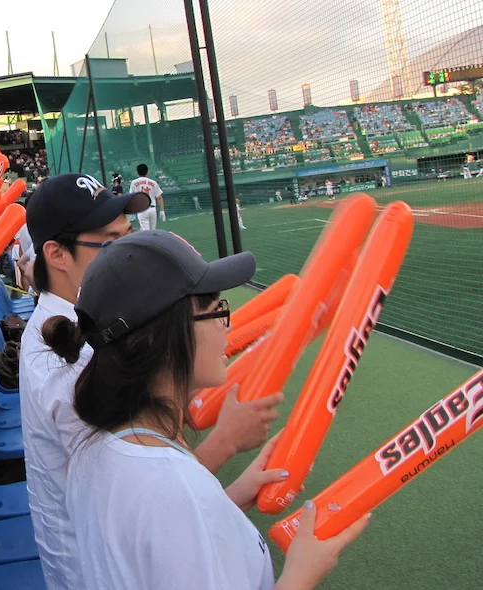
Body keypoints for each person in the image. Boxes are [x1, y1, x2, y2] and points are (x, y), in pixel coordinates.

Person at [44, 230, 370, 589]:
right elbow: (171, 513)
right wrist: (302, 574)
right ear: (160, 339)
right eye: (214, 308)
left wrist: (224, 500)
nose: (225, 324)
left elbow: (157, 550)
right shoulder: (176, 491)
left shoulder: (99, 446)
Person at [19, 173, 283, 590]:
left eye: (128, 237)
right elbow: (141, 493)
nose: (125, 254)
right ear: (56, 253)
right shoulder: (66, 366)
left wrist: (221, 498)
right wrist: (225, 441)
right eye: (110, 243)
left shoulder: (71, 332)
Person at [130, 163, 165, 230]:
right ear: (147, 172)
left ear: (137, 172)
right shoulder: (153, 182)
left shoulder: (134, 182)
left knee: (145, 232)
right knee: (152, 231)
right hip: (152, 209)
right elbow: (159, 197)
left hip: (141, 209)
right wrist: (162, 210)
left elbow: (132, 197)